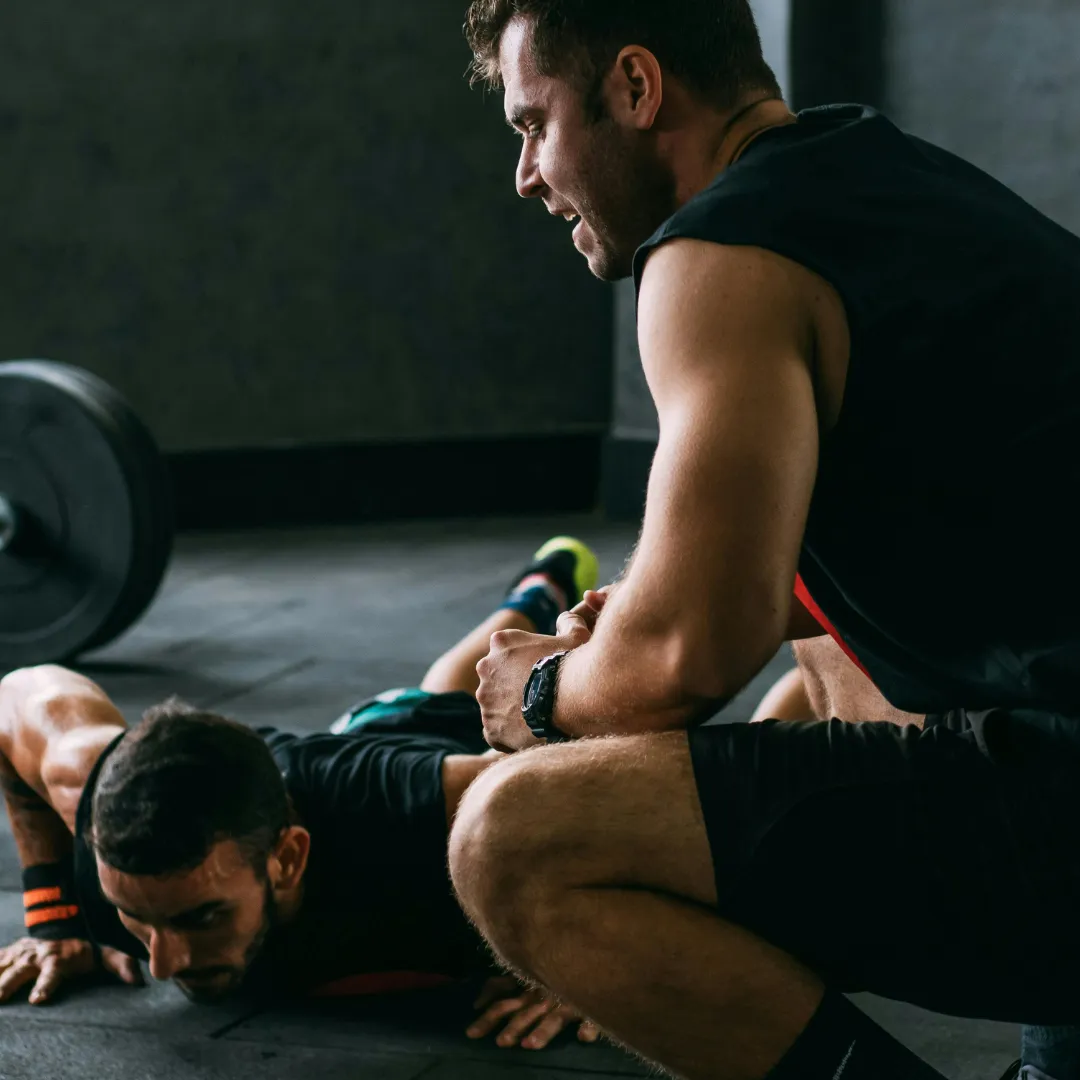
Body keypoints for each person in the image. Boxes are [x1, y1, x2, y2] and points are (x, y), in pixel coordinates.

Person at [445, 3, 1080, 1080]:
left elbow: (689, 655)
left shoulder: (718, 253)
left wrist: (543, 693)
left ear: (636, 88)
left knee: (512, 840)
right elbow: (907, 527)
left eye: (535, 125)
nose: (526, 175)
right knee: (825, 646)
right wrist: (641, 611)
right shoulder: (882, 177)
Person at [0, 537, 603, 1052]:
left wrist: (578, 963)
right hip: (327, 750)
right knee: (423, 695)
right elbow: (16, 698)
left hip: (427, 749)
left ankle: (542, 588)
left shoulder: (432, 810)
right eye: (136, 917)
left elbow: (610, 794)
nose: (165, 963)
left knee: (460, 692)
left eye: (202, 917)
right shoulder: (97, 812)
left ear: (288, 858)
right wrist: (55, 914)